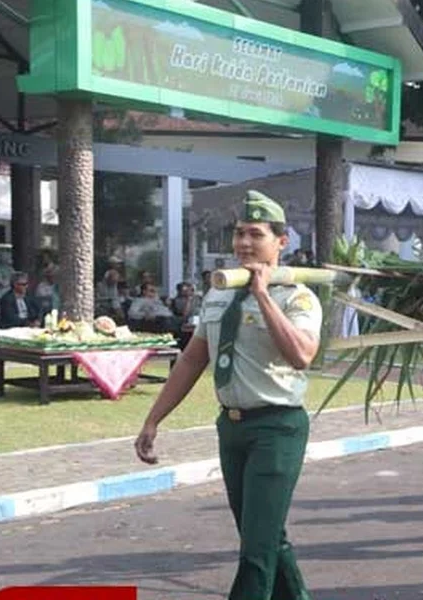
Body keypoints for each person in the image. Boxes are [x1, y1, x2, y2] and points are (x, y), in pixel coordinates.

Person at [135, 190, 322, 600]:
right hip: (232, 429)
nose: (244, 243)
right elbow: (190, 361)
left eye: (256, 234)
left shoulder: (298, 296)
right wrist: (153, 420)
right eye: (239, 233)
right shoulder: (218, 292)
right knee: (268, 538)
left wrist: (262, 296)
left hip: (277, 428)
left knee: (256, 551)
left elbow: (302, 355)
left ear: (281, 242)